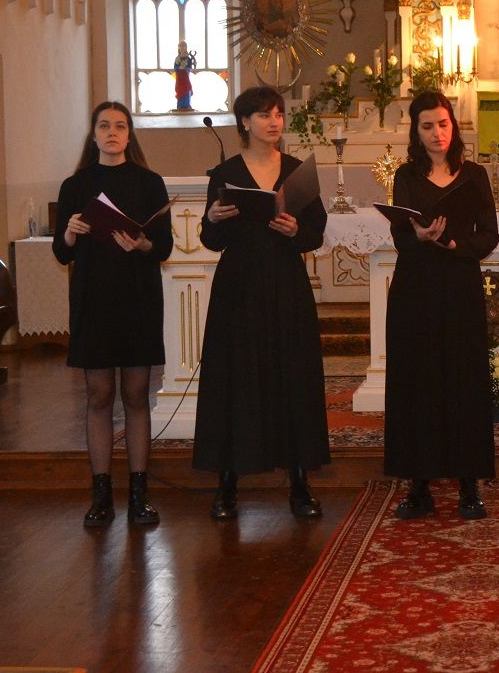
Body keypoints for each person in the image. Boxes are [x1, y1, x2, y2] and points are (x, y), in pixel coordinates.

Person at [192, 86, 330, 520]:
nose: (274, 122)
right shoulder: (226, 173)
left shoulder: (296, 171)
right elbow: (212, 239)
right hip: (239, 287)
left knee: (293, 377)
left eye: (279, 114)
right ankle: (227, 483)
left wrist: (296, 232)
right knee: (237, 377)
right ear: (244, 122)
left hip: (286, 282)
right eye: (265, 115)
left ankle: (300, 483)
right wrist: (212, 219)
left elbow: (316, 231)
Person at [53, 101, 173, 528]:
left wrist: (142, 244)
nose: (112, 133)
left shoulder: (149, 182)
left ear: (129, 134)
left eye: (120, 126)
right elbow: (61, 251)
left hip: (138, 297)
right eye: (104, 126)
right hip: (94, 298)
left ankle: (139, 496)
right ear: (93, 134)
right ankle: (101, 496)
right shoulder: (75, 185)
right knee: (99, 396)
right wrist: (70, 232)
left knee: (137, 396)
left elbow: (163, 246)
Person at [385, 91, 499, 521]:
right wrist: (417, 236)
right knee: (417, 380)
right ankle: (419, 485)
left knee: (463, 379)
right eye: (428, 126)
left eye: (444, 124)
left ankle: (469, 485)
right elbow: (400, 235)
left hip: (459, 286)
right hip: (415, 287)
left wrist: (455, 245)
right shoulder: (406, 175)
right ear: (416, 132)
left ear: (454, 126)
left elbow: (489, 234)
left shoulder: (475, 175)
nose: (437, 133)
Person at [173, 41, 196, 111]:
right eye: (180, 46)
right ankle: (180, 107)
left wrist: (186, 68)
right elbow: (175, 67)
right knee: (180, 91)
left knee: (186, 90)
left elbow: (190, 67)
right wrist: (179, 68)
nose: (182, 47)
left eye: (183, 46)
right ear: (179, 48)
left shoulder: (188, 58)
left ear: (186, 47)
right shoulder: (177, 58)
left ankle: (187, 107)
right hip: (179, 78)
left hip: (185, 78)